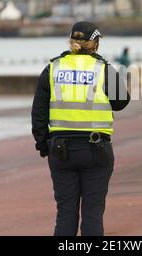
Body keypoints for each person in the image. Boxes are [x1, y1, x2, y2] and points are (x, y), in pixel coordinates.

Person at [31, 21, 130, 236]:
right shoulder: (103, 68)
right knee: (92, 212)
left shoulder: (53, 68)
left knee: (65, 212)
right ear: (94, 44)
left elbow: (38, 112)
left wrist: (43, 143)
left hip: (60, 150)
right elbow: (122, 102)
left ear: (72, 42)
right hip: (96, 149)